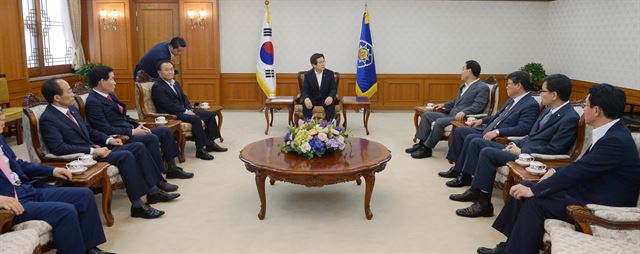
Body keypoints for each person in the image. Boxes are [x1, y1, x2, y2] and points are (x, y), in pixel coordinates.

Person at [479, 83, 640, 254]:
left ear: (596, 110)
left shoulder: (615, 140)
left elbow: (579, 170)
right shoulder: (611, 132)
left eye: (585, 105)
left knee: (534, 202)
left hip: (601, 203)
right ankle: (511, 246)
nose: (583, 109)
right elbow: (584, 166)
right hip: (589, 188)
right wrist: (554, 171)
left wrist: (536, 191)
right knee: (524, 186)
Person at [39, 78, 179, 219]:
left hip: (97, 148)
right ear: (57, 97)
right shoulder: (49, 118)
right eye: (69, 91)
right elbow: (58, 148)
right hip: (84, 157)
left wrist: (109, 139)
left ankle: (153, 191)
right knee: (125, 156)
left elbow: (90, 131)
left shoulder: (71, 110)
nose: (73, 95)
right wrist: (93, 151)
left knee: (138, 146)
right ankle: (137, 206)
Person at [450, 74, 580, 218]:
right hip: (521, 149)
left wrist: (522, 150)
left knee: (488, 152)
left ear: (554, 95)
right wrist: (513, 144)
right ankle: (474, 189)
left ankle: (484, 203)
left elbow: (555, 149)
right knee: (477, 142)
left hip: (531, 157)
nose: (540, 94)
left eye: (543, 91)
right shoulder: (549, 110)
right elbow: (531, 135)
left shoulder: (570, 117)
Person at [0, 109, 112, 254]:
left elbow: (19, 164)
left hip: (27, 188)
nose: (3, 118)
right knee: (65, 211)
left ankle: (89, 248)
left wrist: (51, 171)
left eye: (1, 113)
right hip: (13, 203)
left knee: (84, 195)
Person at [85, 65, 193, 179]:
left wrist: (138, 124)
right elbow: (104, 128)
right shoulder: (93, 102)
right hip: (120, 137)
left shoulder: (109, 95)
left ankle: (172, 169)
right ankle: (158, 178)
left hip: (130, 128)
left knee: (165, 131)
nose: (115, 82)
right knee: (151, 138)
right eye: (112, 79)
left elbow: (123, 117)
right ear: (102, 81)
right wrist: (132, 132)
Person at [439, 71, 540, 178]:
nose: (506, 87)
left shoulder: (530, 104)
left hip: (499, 135)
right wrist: (482, 120)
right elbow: (499, 116)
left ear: (518, 85)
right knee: (461, 130)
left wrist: (498, 132)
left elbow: (523, 128)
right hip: (489, 128)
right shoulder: (513, 99)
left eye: (508, 84)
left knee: (471, 138)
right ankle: (457, 167)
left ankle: (464, 174)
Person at [406, 60, 489, 158]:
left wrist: (464, 112)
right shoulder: (464, 85)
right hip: (451, 113)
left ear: (469, 71)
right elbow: (455, 102)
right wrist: (443, 105)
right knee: (427, 115)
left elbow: (478, 106)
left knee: (440, 121)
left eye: (463, 69)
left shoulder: (482, 87)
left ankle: (427, 149)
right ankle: (421, 144)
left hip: (462, 118)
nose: (461, 72)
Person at [151, 60, 227, 160]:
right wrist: (186, 111)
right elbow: (167, 105)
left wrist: (189, 108)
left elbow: (184, 97)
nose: (170, 72)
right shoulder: (157, 86)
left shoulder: (175, 83)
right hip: (171, 114)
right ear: (159, 72)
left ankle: (210, 143)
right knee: (195, 119)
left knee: (209, 114)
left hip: (183, 109)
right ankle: (200, 150)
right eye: (166, 70)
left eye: (171, 69)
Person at [300, 53, 338, 122]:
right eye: (320, 62)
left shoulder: (330, 74)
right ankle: (308, 125)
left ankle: (329, 126)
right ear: (313, 65)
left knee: (331, 103)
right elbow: (304, 90)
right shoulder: (308, 75)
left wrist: (331, 97)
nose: (323, 64)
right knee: (306, 104)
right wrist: (306, 98)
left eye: (323, 61)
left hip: (325, 99)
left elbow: (333, 89)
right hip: (313, 99)